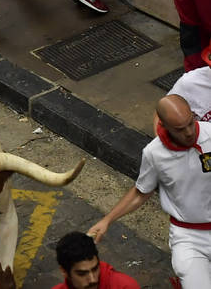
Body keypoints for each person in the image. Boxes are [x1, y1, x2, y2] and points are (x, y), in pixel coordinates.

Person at [89, 95, 211, 288]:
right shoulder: (154, 154)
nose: (189, 132)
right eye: (180, 129)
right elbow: (140, 192)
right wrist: (107, 220)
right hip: (189, 237)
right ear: (163, 125)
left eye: (190, 123)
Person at [51, 232, 138, 289]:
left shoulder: (125, 286)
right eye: (82, 274)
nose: (93, 279)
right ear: (64, 271)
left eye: (95, 269)